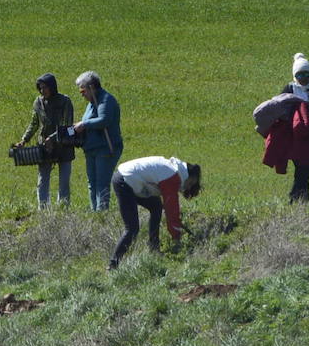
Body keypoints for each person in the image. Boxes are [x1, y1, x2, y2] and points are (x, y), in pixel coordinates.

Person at [107, 156, 201, 269]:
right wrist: (177, 237)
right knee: (132, 229)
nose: (188, 187)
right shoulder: (172, 177)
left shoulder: (173, 170)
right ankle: (113, 264)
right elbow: (172, 212)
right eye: (190, 183)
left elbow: (169, 207)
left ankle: (154, 248)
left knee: (156, 207)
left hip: (127, 178)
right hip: (125, 182)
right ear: (188, 176)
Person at [259, 54, 309, 203]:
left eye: (307, 74)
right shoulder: (290, 88)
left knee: (305, 168)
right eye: (300, 74)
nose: (304, 78)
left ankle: (299, 199)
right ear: (295, 75)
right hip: (294, 136)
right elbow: (278, 107)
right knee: (302, 167)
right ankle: (299, 198)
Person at [12, 73, 76, 207]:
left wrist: (52, 138)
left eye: (45, 87)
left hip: (64, 145)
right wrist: (24, 140)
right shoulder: (38, 102)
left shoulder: (65, 101)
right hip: (45, 147)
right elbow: (34, 124)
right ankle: (43, 210)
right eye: (40, 88)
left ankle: (63, 210)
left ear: (52, 87)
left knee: (64, 182)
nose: (42, 91)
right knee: (42, 179)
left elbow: (67, 125)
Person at [72, 71, 123, 211]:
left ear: (92, 87)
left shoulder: (106, 100)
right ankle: (94, 213)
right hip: (91, 149)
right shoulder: (91, 103)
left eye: (83, 89)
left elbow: (104, 120)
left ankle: (102, 214)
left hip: (106, 149)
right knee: (92, 183)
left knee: (102, 184)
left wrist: (84, 125)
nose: (81, 93)